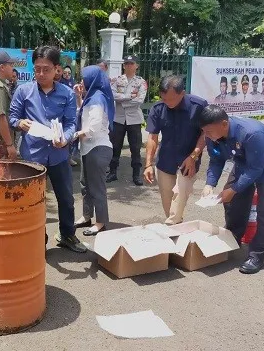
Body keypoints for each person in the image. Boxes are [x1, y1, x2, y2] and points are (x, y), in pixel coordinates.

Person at [9, 45, 87, 253]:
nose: (41, 74)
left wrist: (66, 139)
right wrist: (20, 123)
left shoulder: (67, 94)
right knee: (33, 201)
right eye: (37, 69)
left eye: (46, 69)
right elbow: (13, 116)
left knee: (66, 198)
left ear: (56, 69)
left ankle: (67, 235)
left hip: (58, 154)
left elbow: (72, 123)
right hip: (32, 156)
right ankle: (37, 239)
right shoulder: (24, 91)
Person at [199, 105, 264, 274]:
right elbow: (216, 160)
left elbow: (256, 169)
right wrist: (210, 184)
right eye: (204, 131)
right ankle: (233, 239)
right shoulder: (212, 135)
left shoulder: (251, 133)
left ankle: (257, 254)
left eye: (208, 131)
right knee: (232, 203)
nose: (206, 136)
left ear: (224, 124)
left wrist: (233, 189)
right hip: (243, 164)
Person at [144, 76, 208, 225]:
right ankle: (177, 231)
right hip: (166, 161)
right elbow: (152, 137)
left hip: (188, 161)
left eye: (171, 99)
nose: (168, 103)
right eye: (164, 99)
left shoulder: (198, 106)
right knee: (169, 205)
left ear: (182, 93)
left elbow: (206, 133)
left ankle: (171, 229)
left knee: (179, 197)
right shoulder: (158, 108)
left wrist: (194, 156)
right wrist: (148, 164)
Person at [73, 65, 115, 235]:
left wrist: (75, 134)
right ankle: (86, 216)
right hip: (88, 148)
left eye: (84, 77)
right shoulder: (92, 98)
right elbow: (84, 115)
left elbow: (94, 128)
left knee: (97, 187)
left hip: (98, 148)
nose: (81, 81)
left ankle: (101, 222)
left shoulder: (97, 99)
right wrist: (78, 97)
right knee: (85, 185)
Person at [107, 55, 147, 186]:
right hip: (118, 118)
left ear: (137, 66)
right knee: (115, 146)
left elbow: (140, 100)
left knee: (135, 148)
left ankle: (136, 174)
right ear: (124, 65)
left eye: (132, 63)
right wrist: (129, 96)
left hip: (134, 119)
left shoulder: (141, 82)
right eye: (127, 63)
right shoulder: (116, 80)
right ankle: (112, 172)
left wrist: (123, 101)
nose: (129, 65)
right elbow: (113, 95)